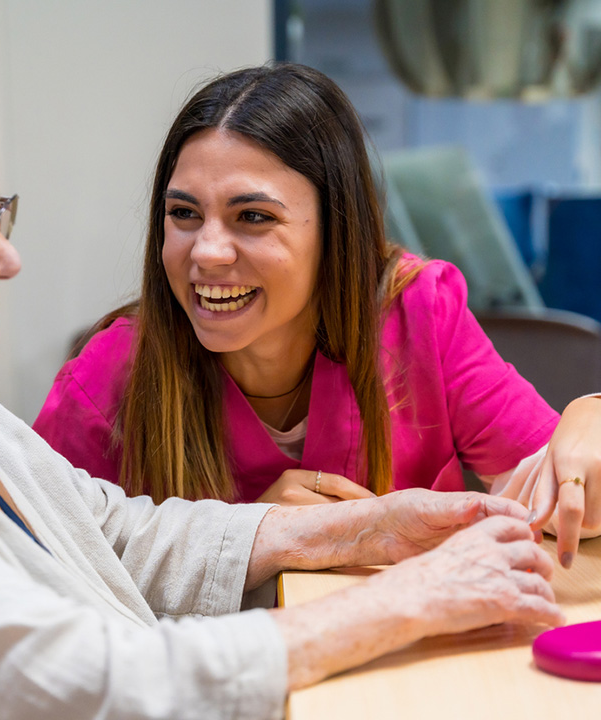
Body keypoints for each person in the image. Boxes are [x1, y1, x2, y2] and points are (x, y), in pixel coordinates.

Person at [0, 23, 564, 720]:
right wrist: (407, 599)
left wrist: (363, 530)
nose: (6, 260)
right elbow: (94, 688)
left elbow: (115, 533)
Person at [33, 62, 601, 568]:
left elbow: (554, 504)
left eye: (252, 216)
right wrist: (244, 543)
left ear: (336, 231)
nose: (205, 251)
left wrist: (587, 431)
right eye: (183, 213)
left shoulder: (418, 314)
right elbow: (31, 571)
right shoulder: (107, 377)